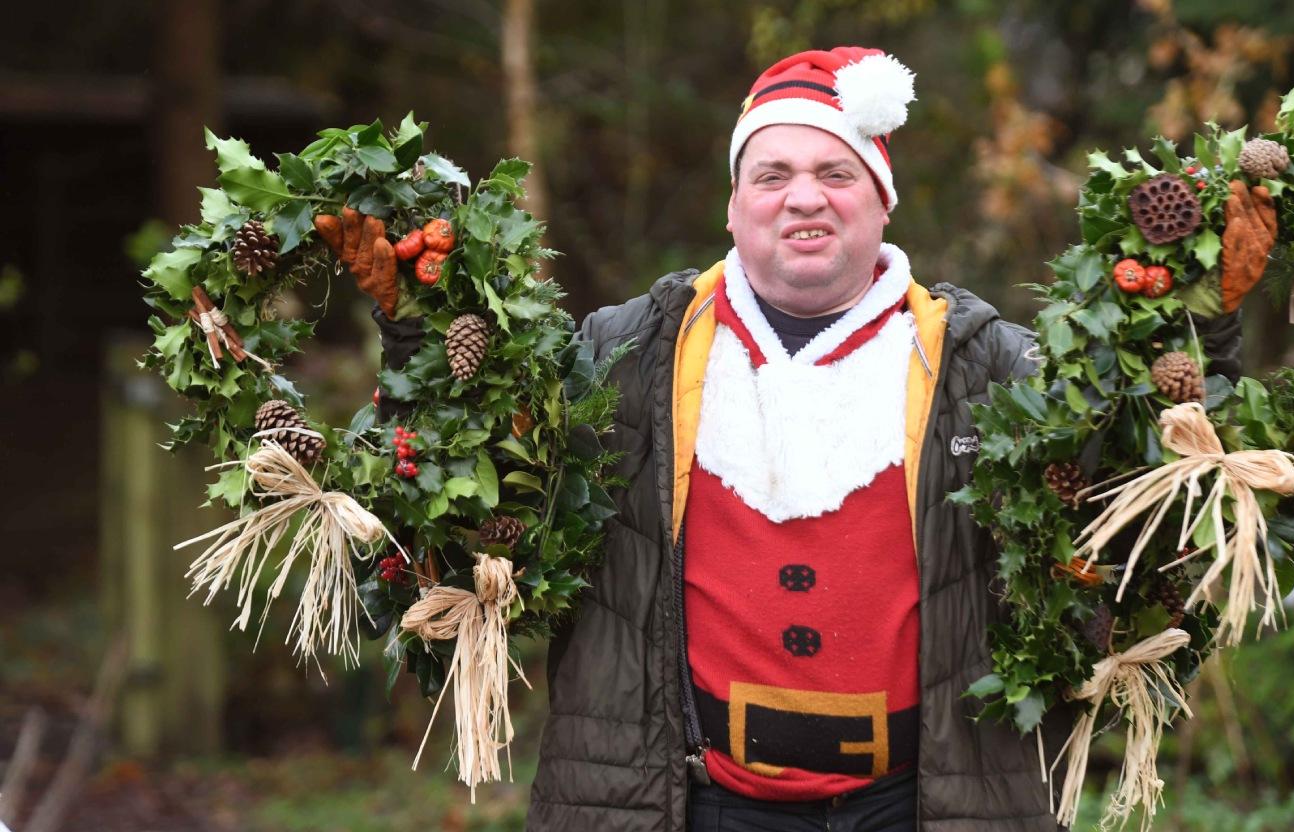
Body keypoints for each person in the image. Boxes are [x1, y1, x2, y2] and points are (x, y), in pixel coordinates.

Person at [376, 45, 1240, 832]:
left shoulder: (995, 370)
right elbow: (478, 498)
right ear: (732, 204)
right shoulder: (621, 357)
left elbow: (1153, 513)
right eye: (772, 172)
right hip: (688, 805)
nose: (803, 196)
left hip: (923, 806)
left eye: (837, 171)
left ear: (880, 201)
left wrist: (1208, 331)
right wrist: (418, 330)